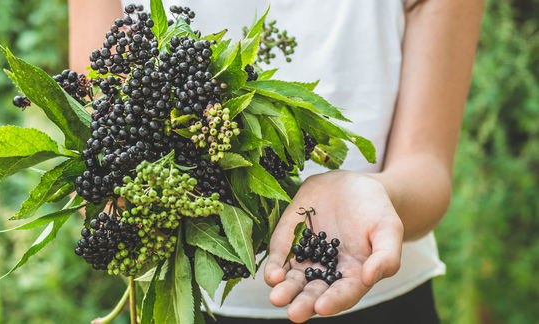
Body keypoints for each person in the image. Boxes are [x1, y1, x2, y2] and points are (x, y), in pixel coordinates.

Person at [69, 0, 484, 322]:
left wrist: (376, 194)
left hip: (377, 293)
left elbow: (427, 170)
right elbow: (102, 141)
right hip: (195, 307)